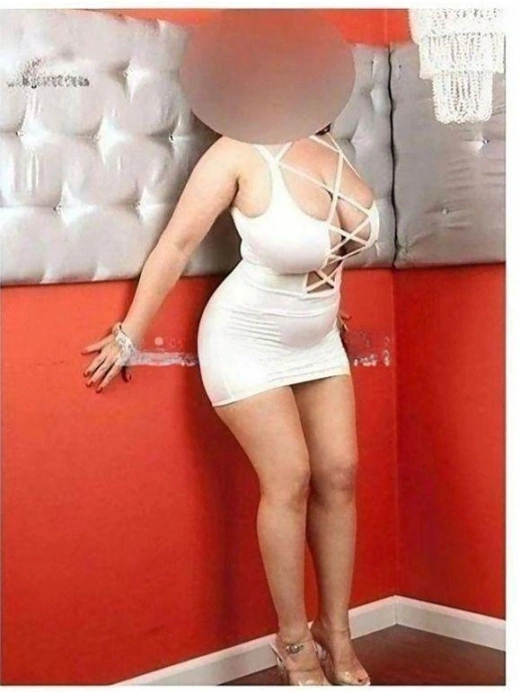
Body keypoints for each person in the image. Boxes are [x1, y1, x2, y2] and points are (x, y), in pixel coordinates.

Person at [81, 123, 379, 686]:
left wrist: (321, 310)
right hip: (246, 338)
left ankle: (335, 631)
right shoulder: (237, 151)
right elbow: (176, 244)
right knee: (289, 477)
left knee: (340, 473)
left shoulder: (330, 145)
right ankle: (293, 642)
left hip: (317, 340)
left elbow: (333, 249)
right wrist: (129, 334)